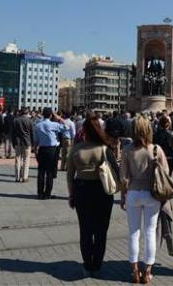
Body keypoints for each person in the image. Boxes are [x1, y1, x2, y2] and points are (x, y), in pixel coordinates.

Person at [66, 114, 118, 277]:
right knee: (101, 230)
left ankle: (87, 264)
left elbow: (69, 176)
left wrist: (71, 195)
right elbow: (116, 172)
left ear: (84, 131)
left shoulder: (75, 149)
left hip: (81, 190)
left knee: (85, 230)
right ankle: (97, 264)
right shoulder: (105, 149)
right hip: (101, 191)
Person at [120, 114, 169, 284]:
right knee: (150, 232)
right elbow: (166, 173)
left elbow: (124, 178)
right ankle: (147, 271)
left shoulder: (127, 150)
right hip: (151, 194)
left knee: (134, 232)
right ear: (149, 129)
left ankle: (134, 271)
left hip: (133, 193)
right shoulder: (156, 149)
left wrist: (122, 196)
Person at [33, 107, 67, 199]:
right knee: (50, 172)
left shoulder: (37, 125)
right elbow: (66, 127)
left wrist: (35, 150)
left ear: (43, 114)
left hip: (42, 149)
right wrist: (59, 118)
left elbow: (36, 140)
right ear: (51, 115)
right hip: (51, 150)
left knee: (41, 172)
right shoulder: (54, 125)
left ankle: (40, 193)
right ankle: (47, 193)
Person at [12, 107, 34, 183]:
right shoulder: (30, 121)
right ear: (27, 113)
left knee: (17, 159)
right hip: (27, 142)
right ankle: (25, 177)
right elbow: (32, 133)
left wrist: (13, 142)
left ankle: (17, 177)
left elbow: (13, 133)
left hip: (17, 142)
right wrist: (33, 143)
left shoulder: (15, 120)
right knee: (26, 159)